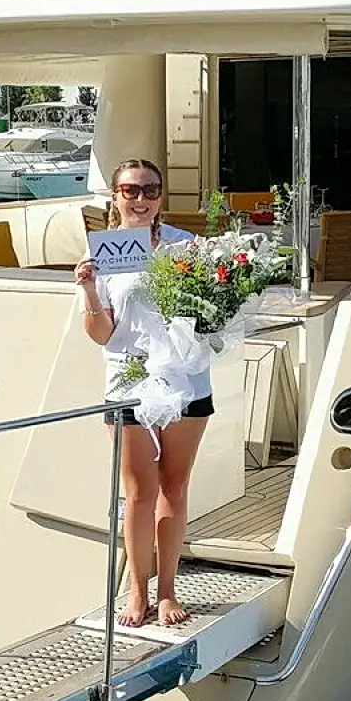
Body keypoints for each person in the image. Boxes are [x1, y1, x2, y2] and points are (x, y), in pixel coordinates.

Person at [73, 158, 213, 627]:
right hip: (127, 381)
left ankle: (168, 590)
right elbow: (101, 334)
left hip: (186, 380)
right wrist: (89, 290)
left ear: (160, 196)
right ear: (115, 197)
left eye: (150, 190)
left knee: (174, 487)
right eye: (130, 190)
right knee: (138, 494)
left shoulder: (185, 246)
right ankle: (137, 590)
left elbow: (209, 312)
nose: (141, 199)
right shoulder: (101, 254)